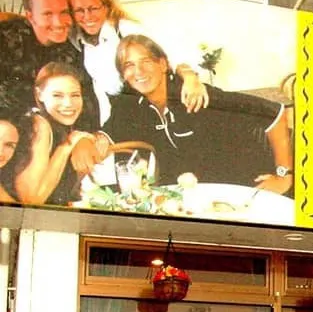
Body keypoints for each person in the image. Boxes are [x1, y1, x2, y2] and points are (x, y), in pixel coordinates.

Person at [100, 34, 293, 194]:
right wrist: (87, 140)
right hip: (195, 197)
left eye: (146, 61)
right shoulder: (133, 107)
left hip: (245, 188)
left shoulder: (199, 96)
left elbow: (275, 114)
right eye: (129, 65)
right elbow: (106, 134)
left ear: (163, 64)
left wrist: (284, 176)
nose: (139, 71)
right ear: (123, 74)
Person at [63, 0, 208, 124]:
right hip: (125, 109)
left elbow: (170, 55)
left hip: (155, 103)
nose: (87, 16)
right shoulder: (79, 41)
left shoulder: (125, 29)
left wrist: (190, 78)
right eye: (79, 10)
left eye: (93, 8)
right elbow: (101, 91)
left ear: (105, 7)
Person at [0, 0, 98, 127]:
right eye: (47, 14)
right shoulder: (6, 37)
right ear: (30, 17)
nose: (58, 22)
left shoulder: (75, 48)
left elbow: (87, 100)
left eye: (64, 12)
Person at [14, 62, 95, 205]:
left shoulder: (59, 123)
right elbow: (31, 200)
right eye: (57, 95)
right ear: (39, 95)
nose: (68, 104)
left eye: (75, 95)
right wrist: (67, 146)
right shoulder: (39, 125)